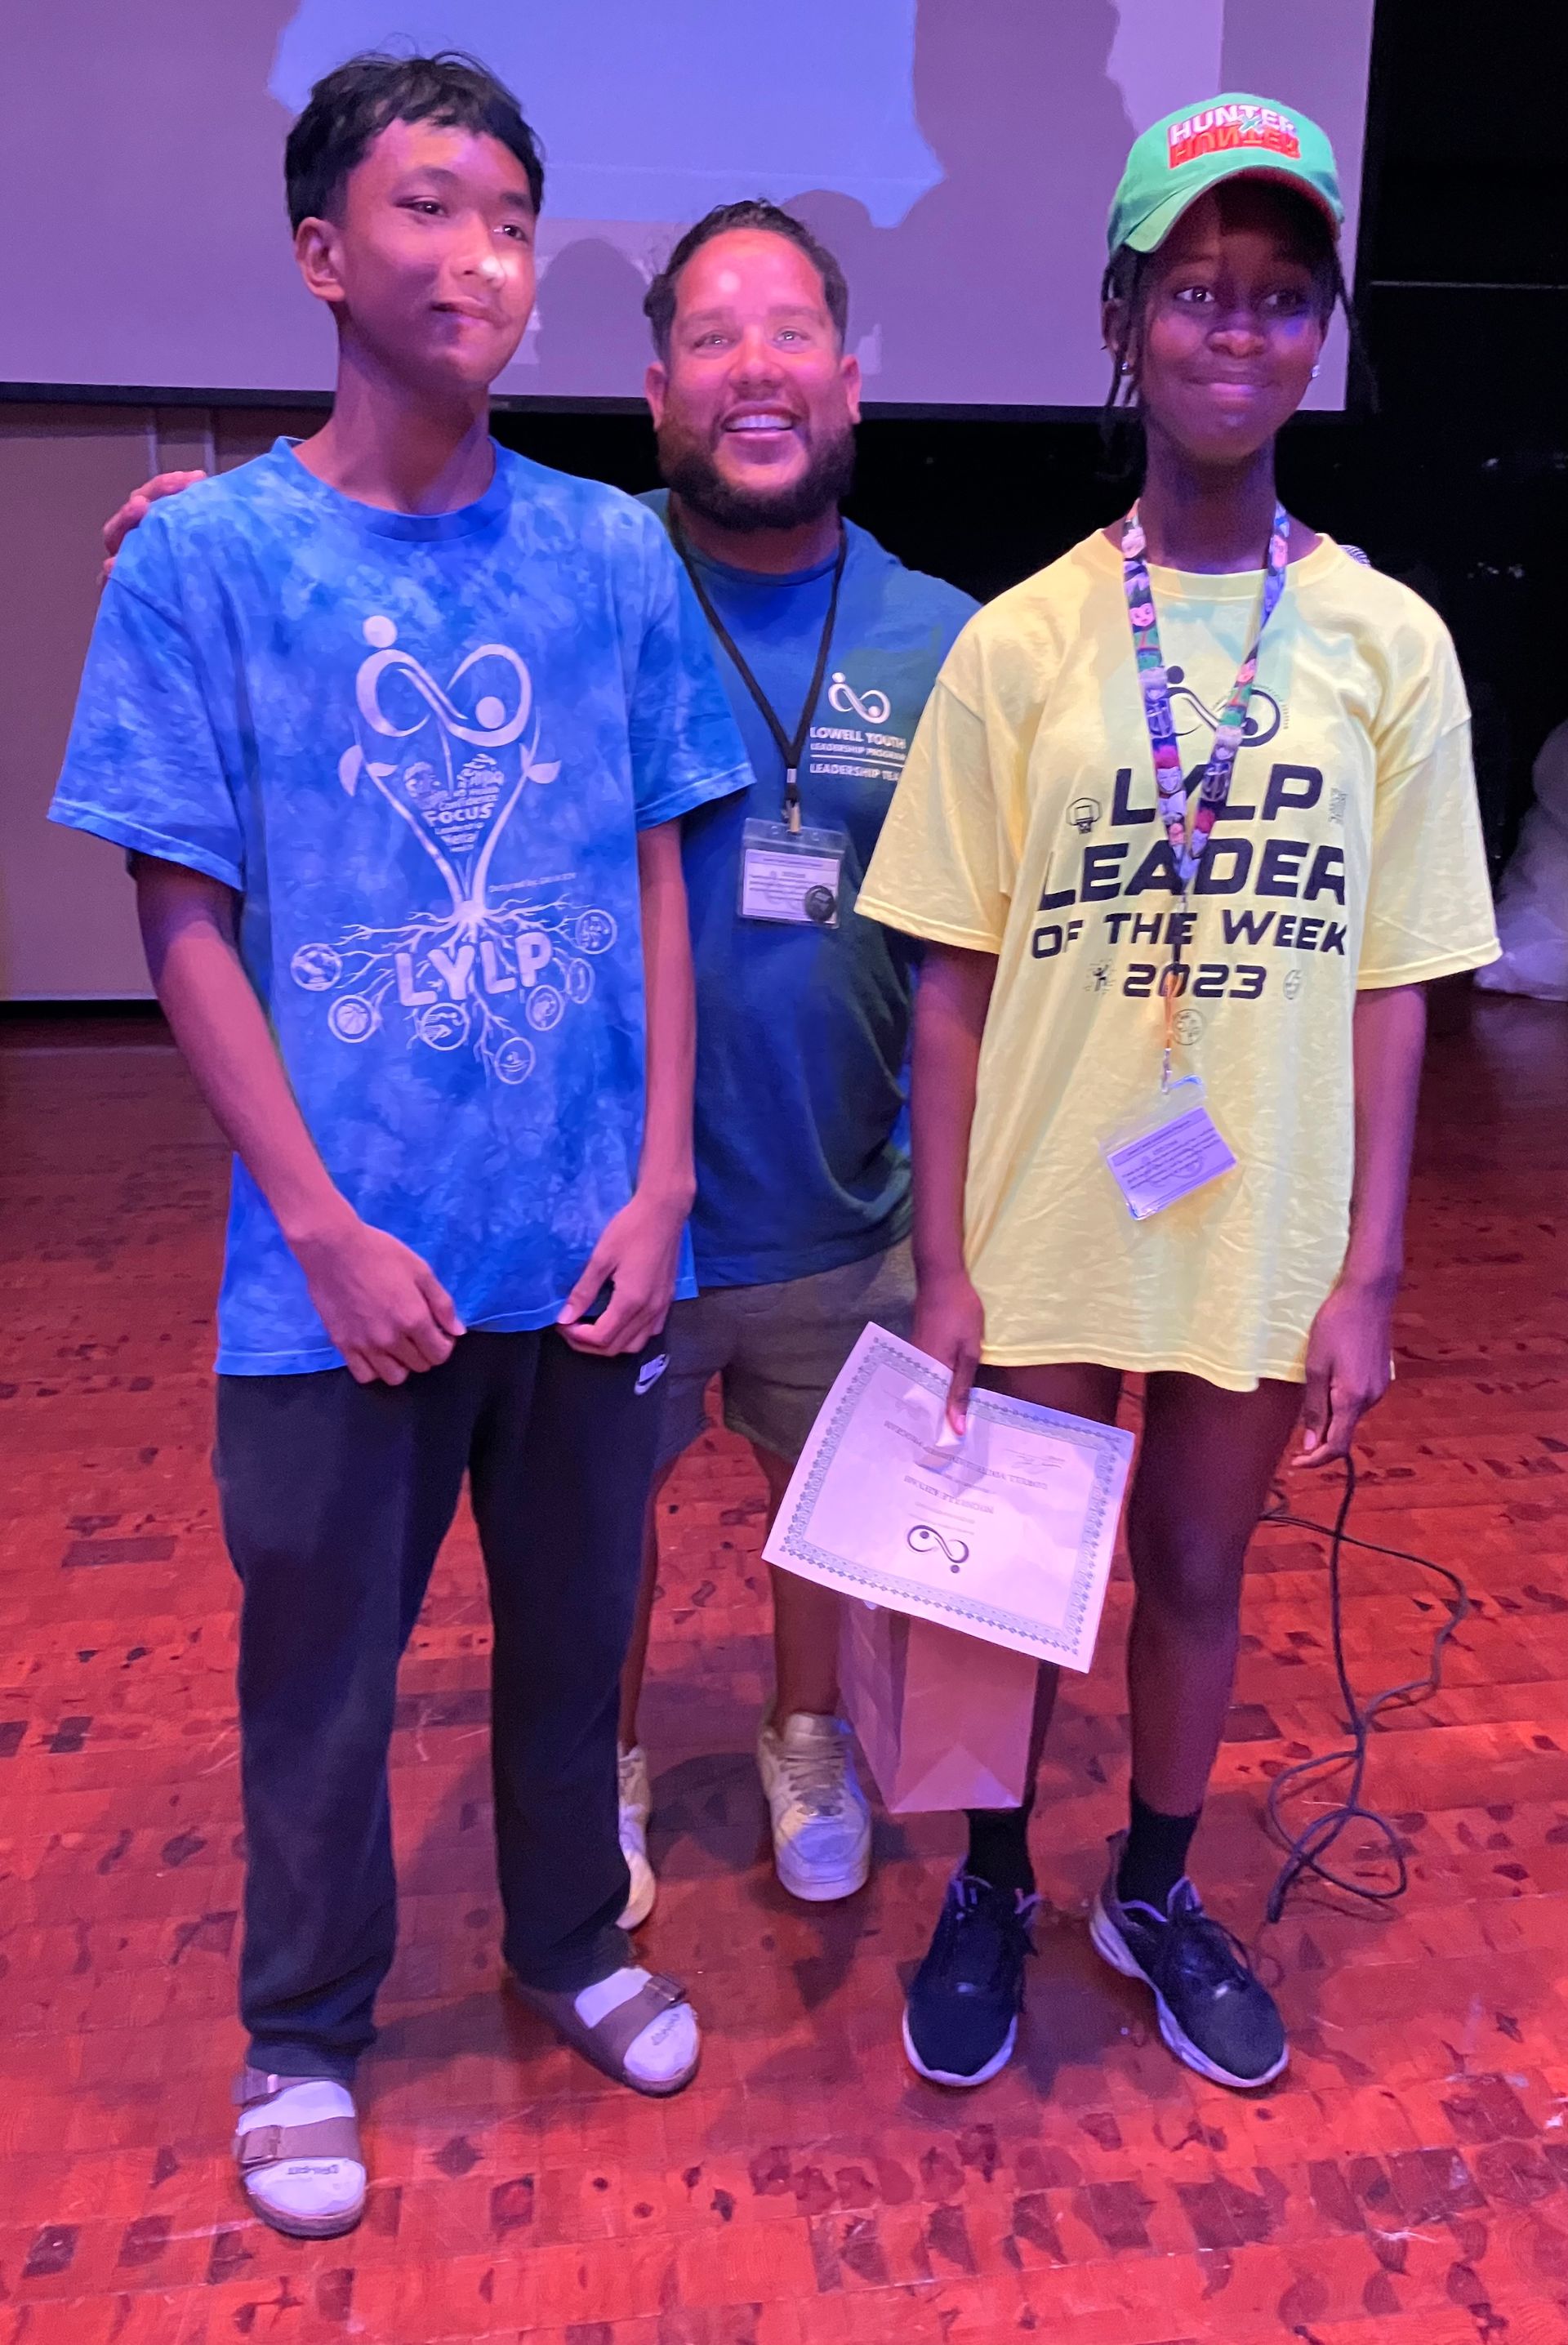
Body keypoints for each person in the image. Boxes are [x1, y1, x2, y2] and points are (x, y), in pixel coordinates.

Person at [54, 51, 750, 2238]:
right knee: (322, 1686)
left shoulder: (611, 549)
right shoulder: (207, 561)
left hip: (579, 1248)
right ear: (323, 256)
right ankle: (305, 2028)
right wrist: (324, 1224)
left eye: (517, 214)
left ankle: (568, 1943)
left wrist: (655, 1186)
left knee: (577, 1636)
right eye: (434, 207)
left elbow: (658, 868)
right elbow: (179, 914)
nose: (487, 256)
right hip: (335, 1270)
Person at [102, 197, 977, 1922]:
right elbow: (376, 550)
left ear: (852, 378)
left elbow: (970, 953)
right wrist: (217, 526)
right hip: (615, 1212)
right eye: (711, 340)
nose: (755, 371)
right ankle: (614, 1764)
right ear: (654, 392)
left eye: (789, 331)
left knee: (826, 1510)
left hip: (836, 1189)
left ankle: (812, 1729)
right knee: (598, 1553)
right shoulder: (579, 567)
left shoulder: (943, 632)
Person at [858, 95, 1499, 2092]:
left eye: (1282, 298)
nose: (1239, 333)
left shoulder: (1390, 640)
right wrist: (945, 1258)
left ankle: (1147, 1877)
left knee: (1198, 1571)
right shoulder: (1024, 640)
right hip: (1050, 1202)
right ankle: (986, 1881)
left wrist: (1370, 1272)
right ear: (1128, 315)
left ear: (1320, 337)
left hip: (1258, 1209)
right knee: (1002, 1575)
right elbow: (948, 986)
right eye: (1200, 292)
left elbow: (1400, 983)